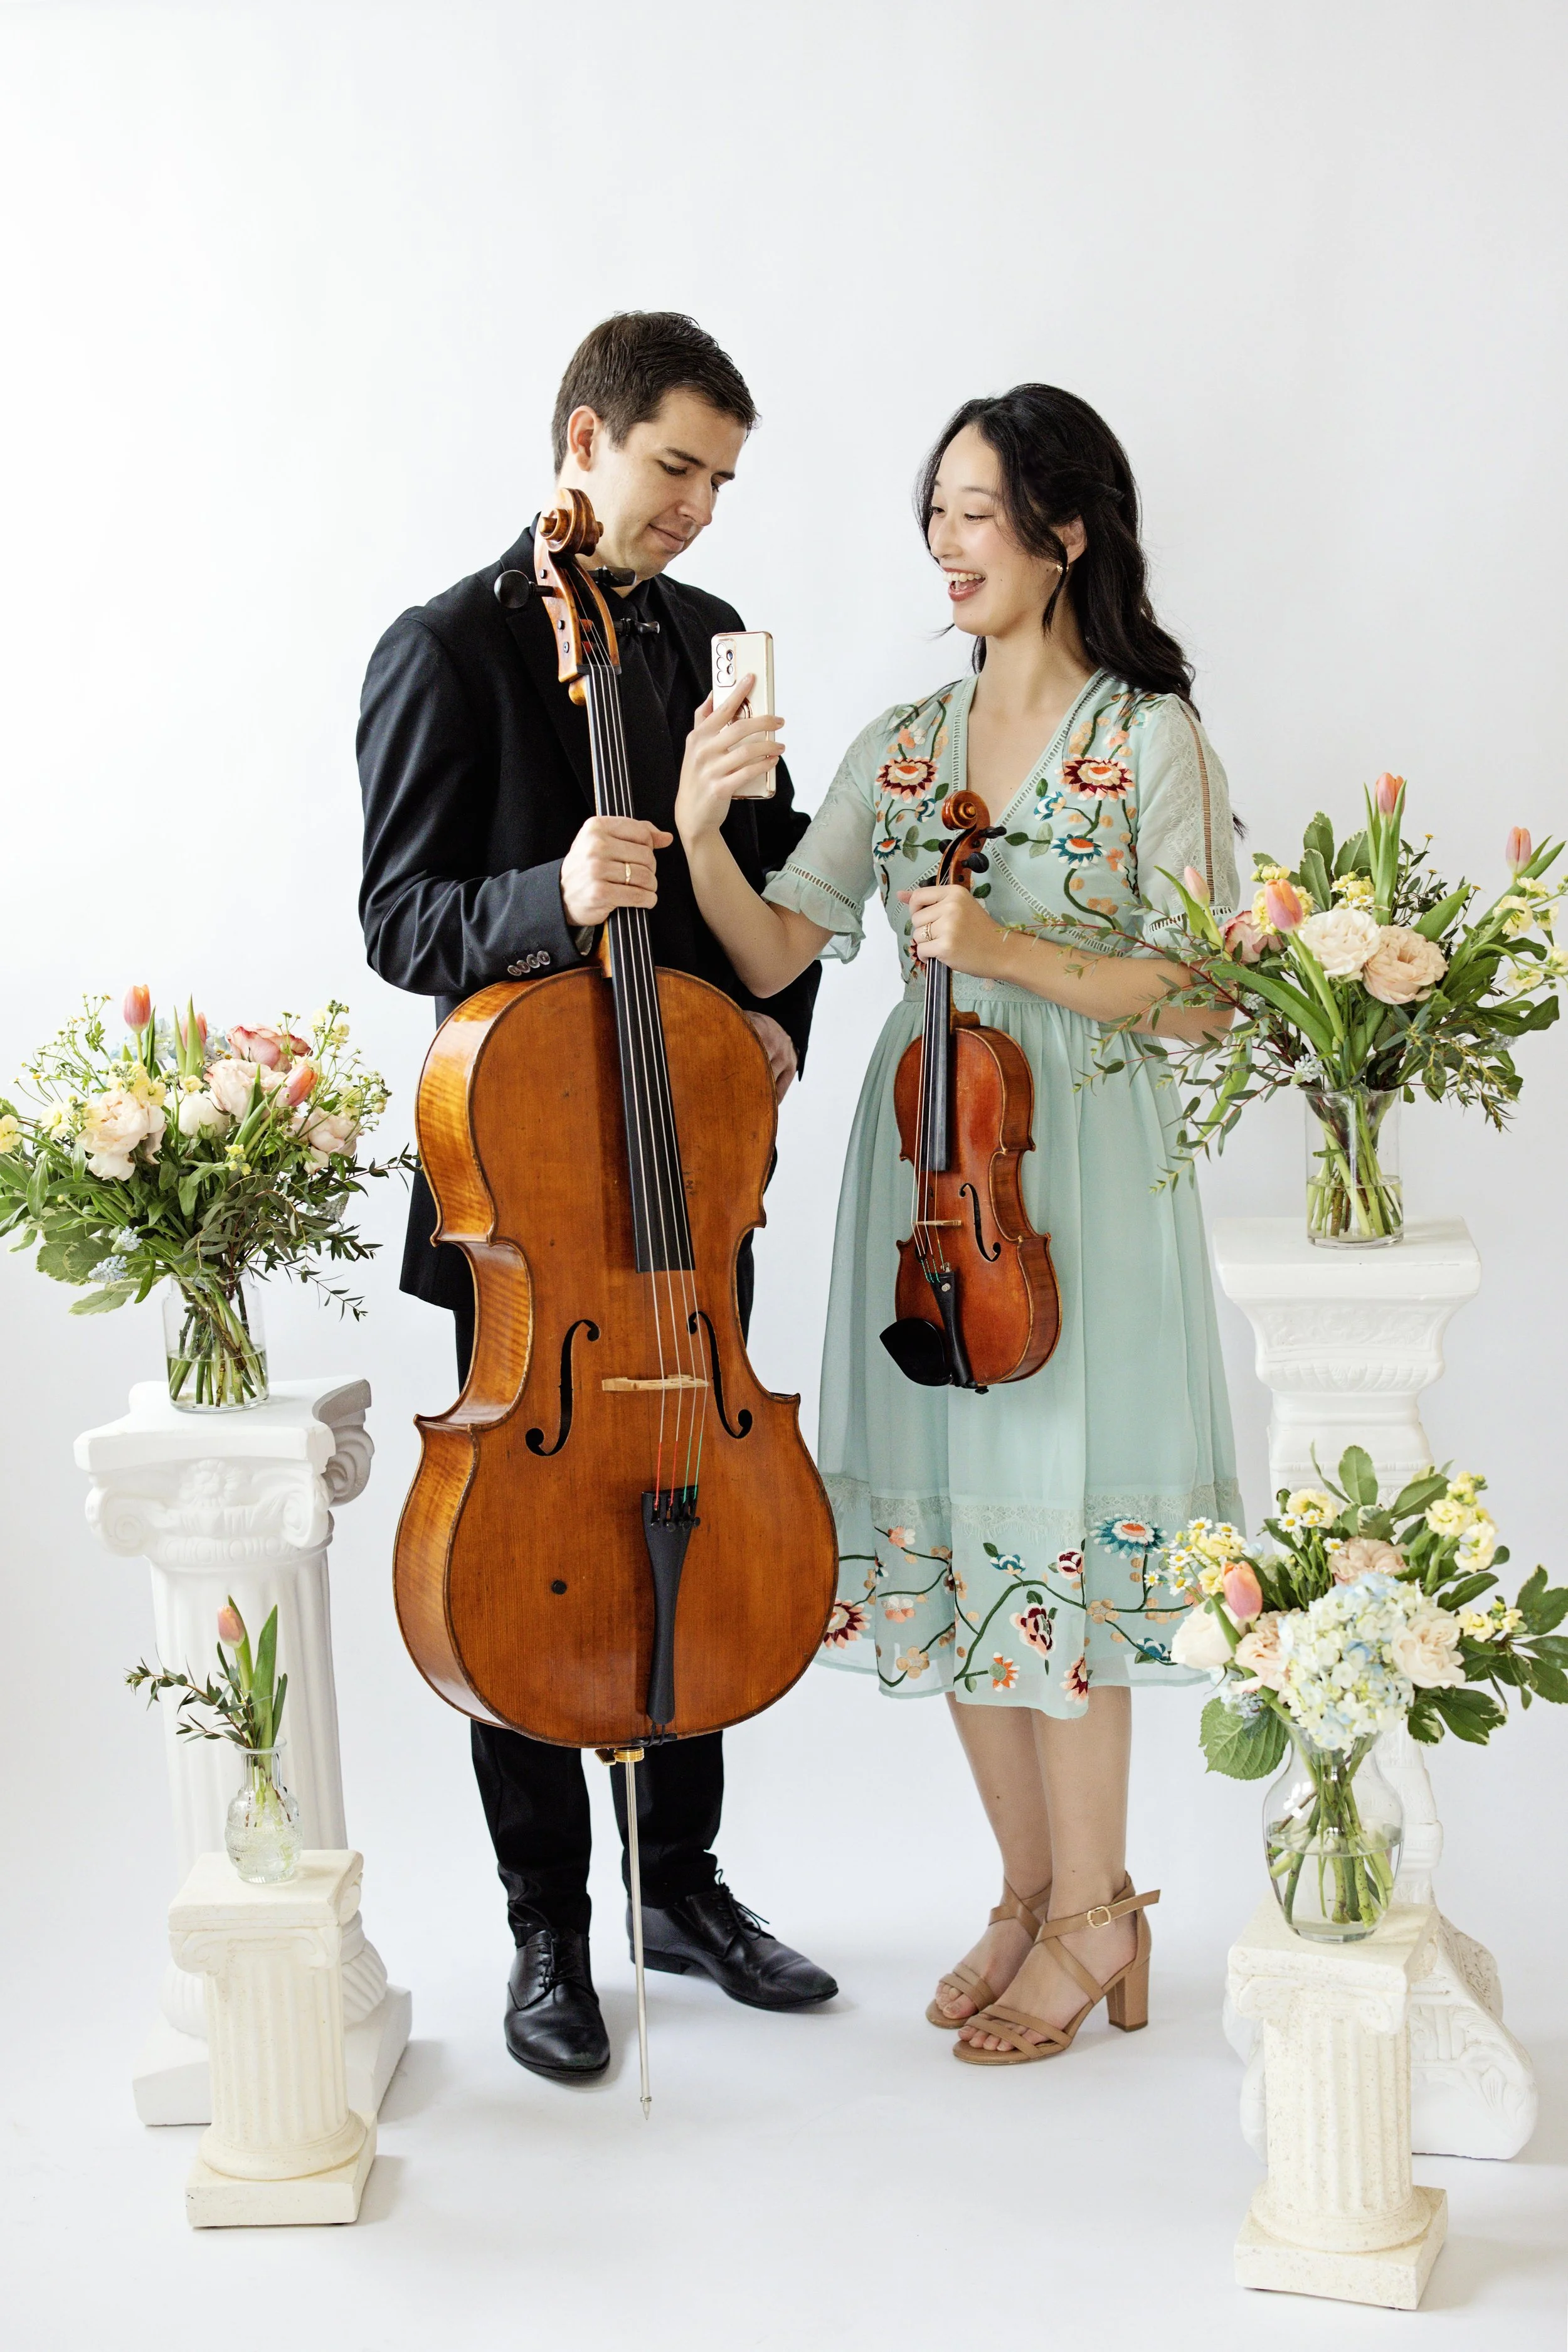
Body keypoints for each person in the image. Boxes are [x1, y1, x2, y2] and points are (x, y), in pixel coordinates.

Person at [674, 383, 1242, 2065]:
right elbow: (777, 947)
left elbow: (1204, 992)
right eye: (933, 512)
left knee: (1058, 1522)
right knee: (957, 1531)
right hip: (938, 1184)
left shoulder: (1148, 736)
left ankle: (1096, 1911)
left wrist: (1005, 951)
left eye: (976, 511)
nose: (945, 541)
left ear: (1066, 531)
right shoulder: (905, 742)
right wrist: (701, 830)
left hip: (1083, 1180)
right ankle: (1033, 1892)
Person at [357, 311, 838, 2084]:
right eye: (674, 467)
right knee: (530, 1553)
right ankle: (548, 1924)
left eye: (721, 481)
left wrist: (775, 1030)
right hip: (534, 1184)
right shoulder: (445, 649)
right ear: (584, 439)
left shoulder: (710, 643)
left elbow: (779, 890)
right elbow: (399, 915)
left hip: (686, 1176)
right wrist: (551, 894)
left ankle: (681, 1887)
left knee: (696, 1505)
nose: (698, 509)